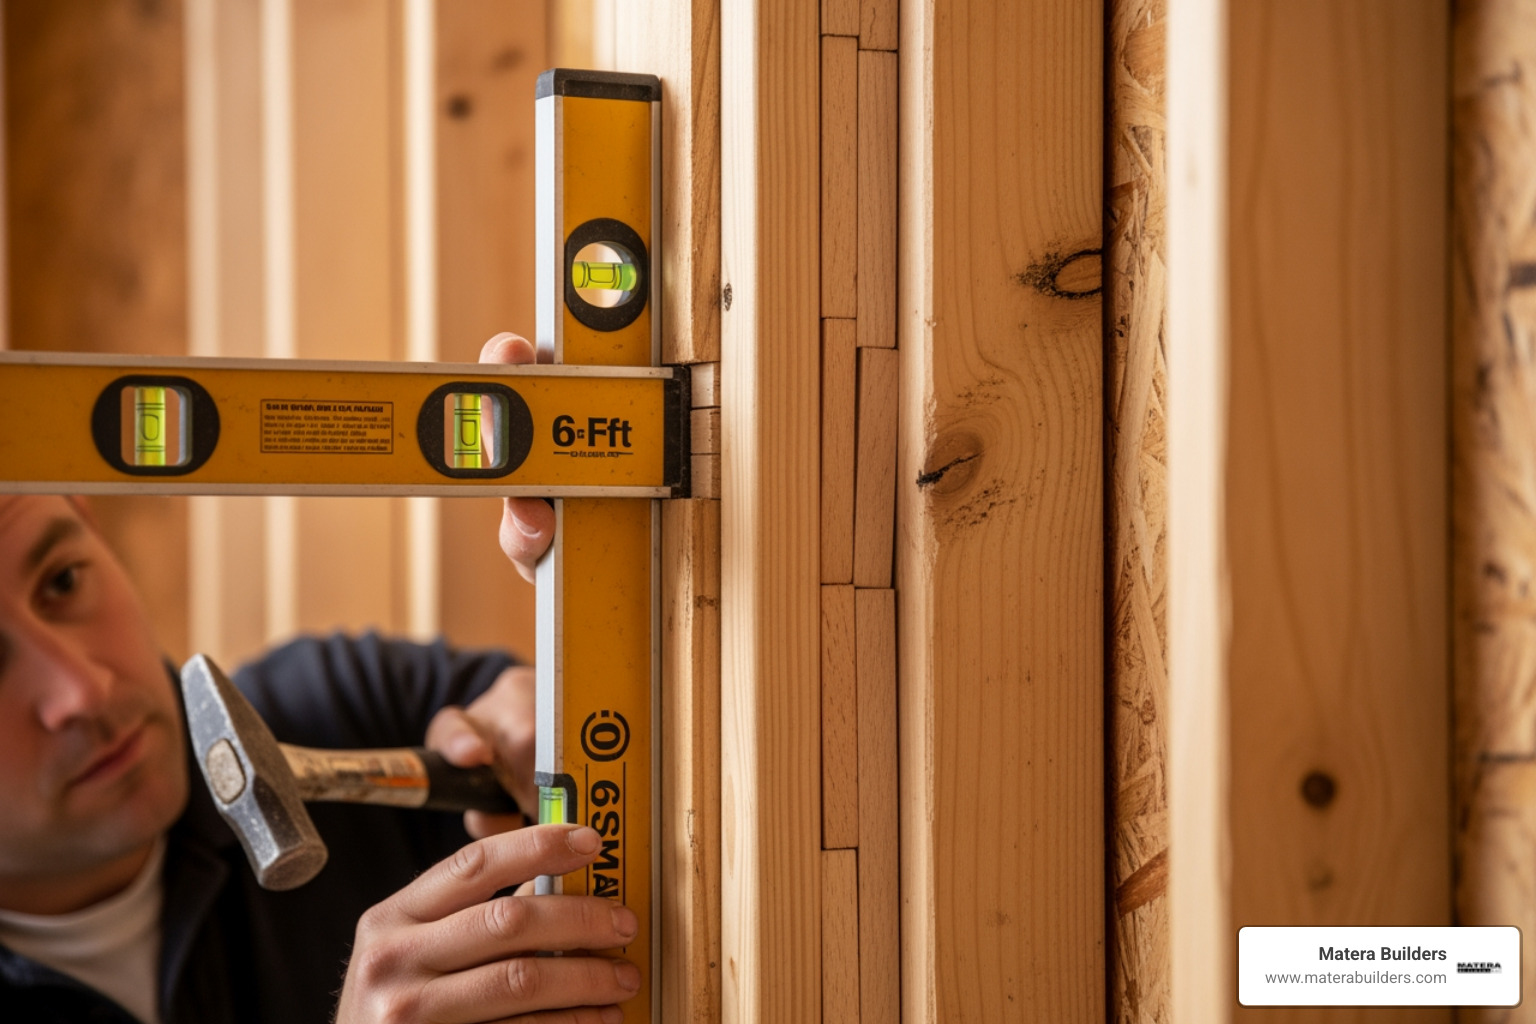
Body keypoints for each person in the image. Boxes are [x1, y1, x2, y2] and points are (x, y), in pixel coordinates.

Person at [0, 334, 633, 1024]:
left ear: (90, 526)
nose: (82, 690)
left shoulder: (347, 700)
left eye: (62, 581)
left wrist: (587, 637)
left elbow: (631, 771)